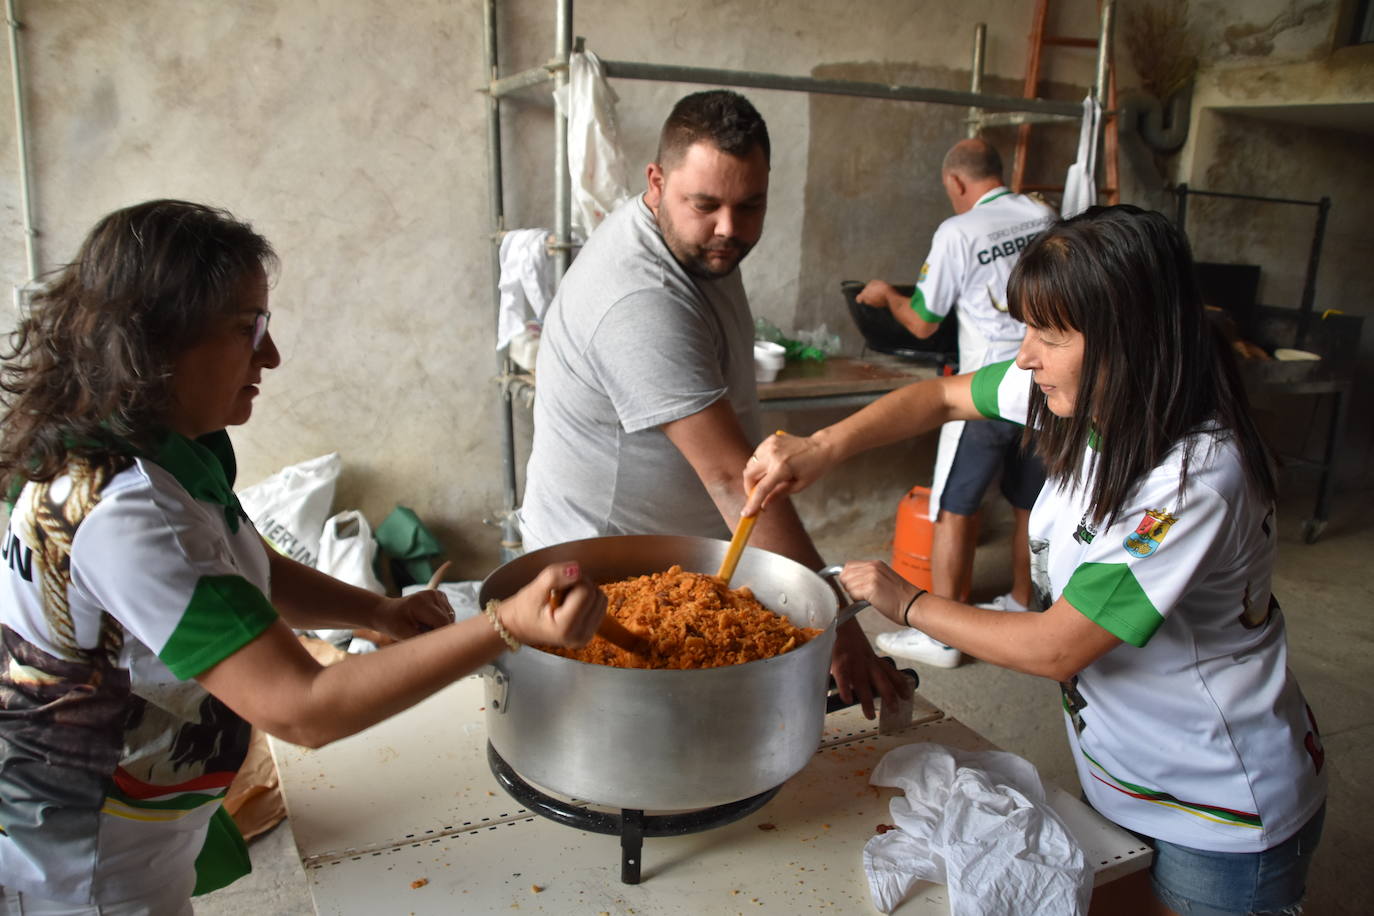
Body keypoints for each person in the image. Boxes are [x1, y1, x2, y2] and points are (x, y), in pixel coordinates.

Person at [0, 200, 607, 914]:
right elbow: (301, 708)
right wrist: (503, 627)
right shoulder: (130, 510)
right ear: (160, 339)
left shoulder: (154, 437)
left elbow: (243, 559)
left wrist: (377, 608)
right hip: (83, 864)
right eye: (246, 329)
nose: (271, 354)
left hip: (133, 816)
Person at [743, 205, 1326, 916]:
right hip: (1124, 771)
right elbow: (940, 396)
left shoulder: (1196, 477)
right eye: (1026, 328)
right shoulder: (1080, 396)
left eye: (1049, 334)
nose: (1025, 355)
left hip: (1215, 807)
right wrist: (820, 447)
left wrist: (910, 603)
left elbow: (1060, 646)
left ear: (1132, 341)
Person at [518, 89, 905, 715]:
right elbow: (731, 478)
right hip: (605, 574)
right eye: (706, 205)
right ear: (656, 180)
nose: (729, 228)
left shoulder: (703, 244)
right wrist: (839, 632)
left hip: (680, 556)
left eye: (750, 206)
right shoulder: (638, 301)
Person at [855, 138, 1056, 668]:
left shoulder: (958, 231)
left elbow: (923, 321)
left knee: (952, 508)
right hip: (1047, 385)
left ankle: (943, 637)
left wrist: (887, 295)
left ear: (956, 183)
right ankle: (1021, 603)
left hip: (985, 390)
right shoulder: (1043, 214)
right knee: (1029, 504)